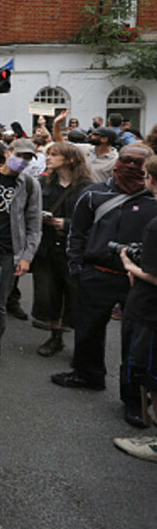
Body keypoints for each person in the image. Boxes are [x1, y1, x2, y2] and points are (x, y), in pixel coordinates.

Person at [54, 144, 157, 428]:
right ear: (116, 163)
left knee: (135, 343)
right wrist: (76, 267)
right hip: (96, 273)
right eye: (127, 160)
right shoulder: (94, 194)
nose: (134, 167)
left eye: (141, 162)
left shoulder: (154, 198)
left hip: (138, 281)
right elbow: (78, 231)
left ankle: (134, 400)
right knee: (87, 330)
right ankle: (88, 374)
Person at [0, 139, 42, 368]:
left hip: (8, 251)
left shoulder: (31, 185)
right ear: (7, 152)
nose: (22, 161)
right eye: (19, 155)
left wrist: (26, 256)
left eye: (28, 158)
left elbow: (34, 224)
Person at [32, 142, 92, 357]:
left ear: (71, 159)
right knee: (49, 295)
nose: (48, 157)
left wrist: (65, 224)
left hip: (73, 250)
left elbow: (93, 220)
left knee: (76, 297)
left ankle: (82, 345)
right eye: (48, 153)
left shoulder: (87, 187)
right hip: (47, 248)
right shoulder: (43, 183)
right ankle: (55, 336)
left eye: (54, 154)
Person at [114, 155, 157, 457]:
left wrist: (130, 263)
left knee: (150, 374)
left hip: (151, 312)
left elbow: (155, 276)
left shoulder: (155, 225)